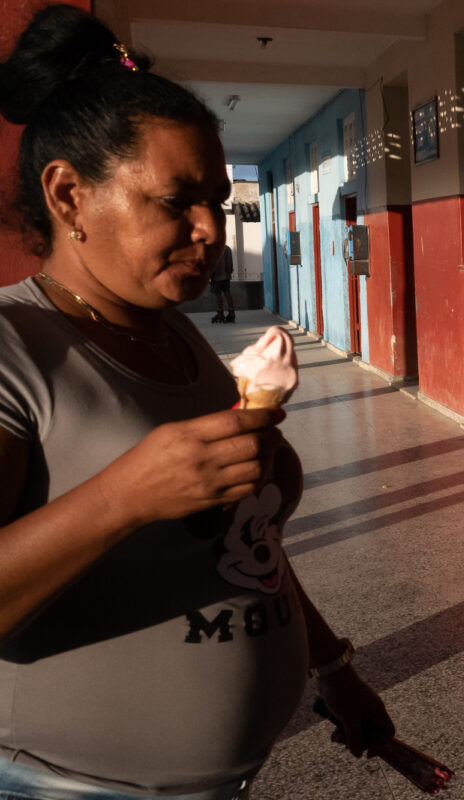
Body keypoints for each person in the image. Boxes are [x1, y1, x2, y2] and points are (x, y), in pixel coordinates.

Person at [0, 6, 394, 798]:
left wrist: (332, 665)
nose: (211, 229)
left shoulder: (181, 341)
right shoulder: (13, 347)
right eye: (177, 200)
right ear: (69, 195)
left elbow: (246, 548)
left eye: (217, 199)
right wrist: (127, 494)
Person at [210, 244, 235, 323]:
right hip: (226, 276)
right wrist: (229, 272)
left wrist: (210, 276)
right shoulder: (227, 248)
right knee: (227, 292)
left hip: (216, 276)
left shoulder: (213, 249)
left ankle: (220, 314)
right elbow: (230, 263)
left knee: (218, 294)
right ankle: (231, 313)